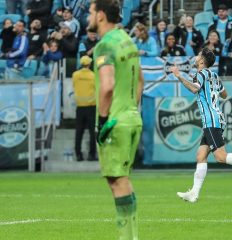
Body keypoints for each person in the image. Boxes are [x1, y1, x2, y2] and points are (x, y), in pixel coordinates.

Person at [171, 48, 232, 203]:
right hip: (215, 118)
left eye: (199, 55)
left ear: (202, 61)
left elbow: (194, 88)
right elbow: (224, 94)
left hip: (211, 120)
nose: (196, 57)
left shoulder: (201, 74)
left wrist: (179, 76)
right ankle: (194, 193)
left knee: (221, 157)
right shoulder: (213, 75)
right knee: (201, 156)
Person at [87, 0, 144, 238]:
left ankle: (127, 237)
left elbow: (107, 86)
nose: (88, 17)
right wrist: (131, 109)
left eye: (90, 12)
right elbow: (140, 79)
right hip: (131, 117)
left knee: (117, 181)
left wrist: (102, 121)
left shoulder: (105, 45)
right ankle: (131, 236)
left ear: (100, 15)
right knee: (121, 181)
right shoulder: (126, 39)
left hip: (115, 123)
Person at [72, 56, 96, 161]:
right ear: (90, 64)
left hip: (80, 106)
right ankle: (91, 155)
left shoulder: (75, 75)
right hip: (91, 107)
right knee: (92, 132)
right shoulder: (94, 76)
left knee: (79, 132)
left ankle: (78, 154)